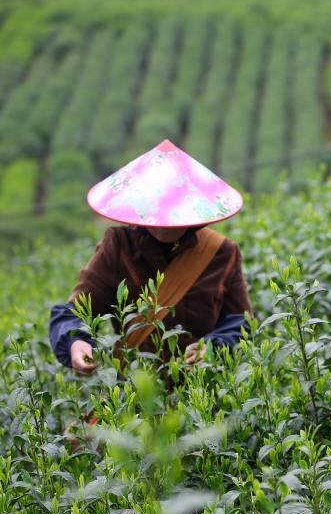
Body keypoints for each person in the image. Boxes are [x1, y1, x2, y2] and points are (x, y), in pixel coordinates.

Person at [49, 139, 252, 375]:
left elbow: (240, 322)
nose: (164, 224)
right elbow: (73, 312)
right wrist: (76, 342)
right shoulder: (118, 246)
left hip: (201, 395)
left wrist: (215, 347)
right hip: (136, 388)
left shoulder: (221, 252)